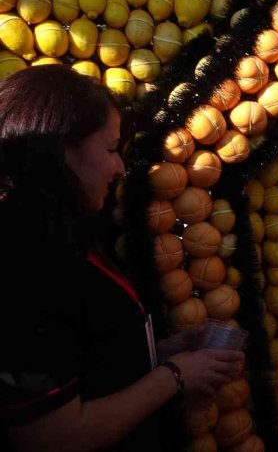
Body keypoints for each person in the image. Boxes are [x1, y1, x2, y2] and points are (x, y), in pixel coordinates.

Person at [0, 65, 243, 451]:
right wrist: (174, 376)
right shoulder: (24, 263)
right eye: (111, 150)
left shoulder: (67, 233)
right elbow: (52, 435)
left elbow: (89, 360)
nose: (119, 167)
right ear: (62, 150)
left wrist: (160, 352)